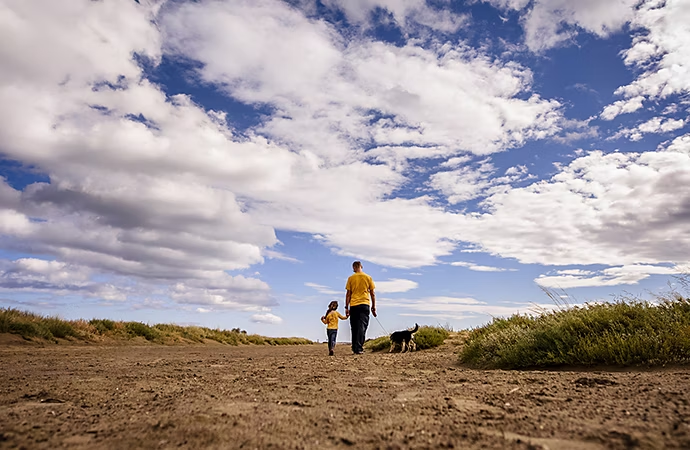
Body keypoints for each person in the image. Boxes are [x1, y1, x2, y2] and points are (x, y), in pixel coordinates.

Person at [345, 261, 376, 355]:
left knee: (354, 327)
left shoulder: (351, 278)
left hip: (354, 305)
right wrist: (373, 306)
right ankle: (358, 347)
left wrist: (347, 307)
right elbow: (372, 293)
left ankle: (355, 347)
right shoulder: (368, 277)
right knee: (362, 326)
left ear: (354, 267)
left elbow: (348, 294)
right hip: (364, 304)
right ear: (361, 266)